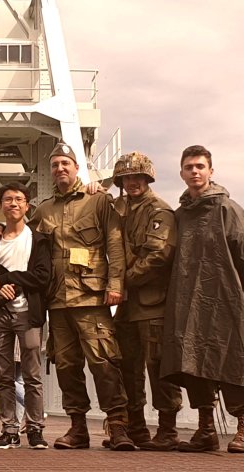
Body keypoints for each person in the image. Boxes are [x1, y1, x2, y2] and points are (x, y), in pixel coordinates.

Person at [0, 141, 132, 450]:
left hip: (91, 297)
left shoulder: (98, 201)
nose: (59, 169)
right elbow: (22, 233)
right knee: (66, 366)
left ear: (77, 167)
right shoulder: (44, 210)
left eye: (65, 163)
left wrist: (116, 284)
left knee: (104, 361)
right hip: (57, 300)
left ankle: (118, 425)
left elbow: (115, 244)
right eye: (54, 165)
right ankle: (77, 426)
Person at [160, 145, 244, 453]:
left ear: (211, 171)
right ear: (181, 173)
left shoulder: (228, 209)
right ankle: (206, 430)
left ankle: (243, 427)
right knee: (192, 362)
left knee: (232, 360)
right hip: (187, 303)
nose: (194, 171)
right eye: (189, 167)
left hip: (226, 299)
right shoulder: (179, 215)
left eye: (200, 166)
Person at [102, 152, 183, 451]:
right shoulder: (120, 208)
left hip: (152, 305)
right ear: (120, 182)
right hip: (126, 307)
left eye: (137, 177)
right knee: (127, 369)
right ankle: (136, 429)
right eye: (126, 177)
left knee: (158, 367)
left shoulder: (159, 210)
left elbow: (158, 256)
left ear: (147, 178)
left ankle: (168, 431)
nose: (132, 181)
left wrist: (123, 281)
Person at [0, 182, 51, 450]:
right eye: (8, 199)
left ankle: (35, 429)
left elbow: (43, 276)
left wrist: (8, 279)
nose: (13, 204)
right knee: (4, 376)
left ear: (27, 205)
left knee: (32, 375)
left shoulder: (38, 239)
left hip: (28, 314)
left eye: (19, 199)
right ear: (1, 206)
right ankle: (9, 430)